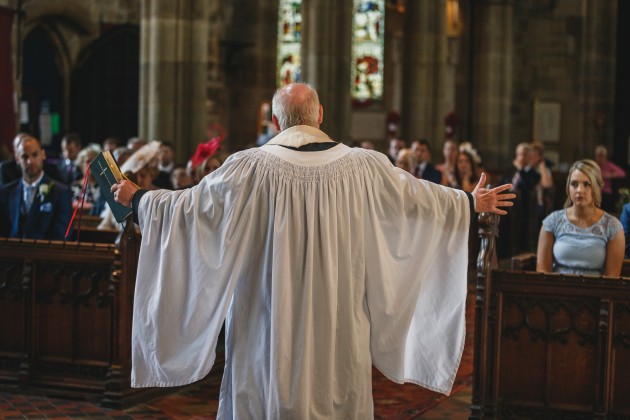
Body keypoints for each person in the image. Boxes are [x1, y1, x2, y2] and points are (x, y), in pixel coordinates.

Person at [111, 83, 514, 418]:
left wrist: (141, 198)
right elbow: (416, 200)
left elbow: (191, 210)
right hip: (338, 314)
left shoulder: (246, 167)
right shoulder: (364, 166)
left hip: (266, 316)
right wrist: (467, 201)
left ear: (275, 122)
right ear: (320, 116)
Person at [536, 159, 625, 276]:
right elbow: (542, 272)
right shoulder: (552, 221)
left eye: (586, 184)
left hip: (595, 291)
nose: (579, 190)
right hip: (558, 291)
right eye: (574, 184)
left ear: (597, 188)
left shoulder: (612, 226)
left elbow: (611, 277)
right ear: (568, 188)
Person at [0, 136, 72, 240]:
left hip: (45, 253)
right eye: (25, 157)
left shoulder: (60, 192)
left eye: (35, 155)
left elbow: (62, 236)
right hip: (11, 253)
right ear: (17, 159)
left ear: (43, 154)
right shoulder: (5, 192)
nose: (30, 161)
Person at [594, 145, 626, 213]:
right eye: (598, 156)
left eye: (602, 156)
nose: (600, 158)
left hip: (606, 193)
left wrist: (609, 175)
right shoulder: (593, 165)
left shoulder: (608, 165)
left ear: (605, 157)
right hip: (594, 192)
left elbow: (622, 173)